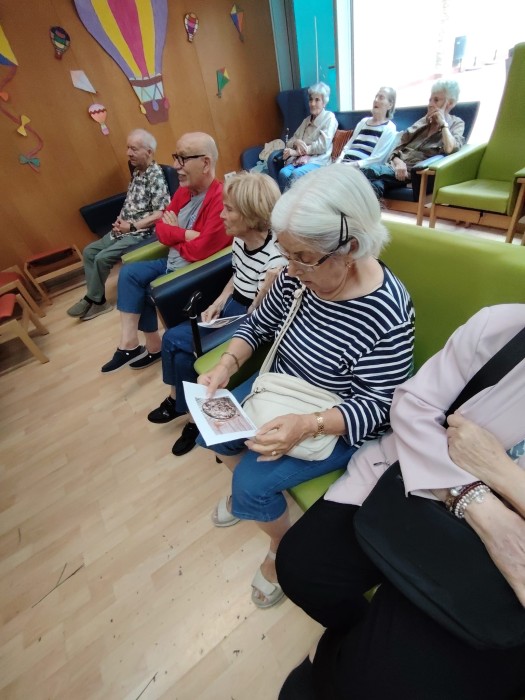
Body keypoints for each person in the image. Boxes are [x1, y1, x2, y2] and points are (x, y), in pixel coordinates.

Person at [276, 304, 525, 700]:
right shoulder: (503, 328)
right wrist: (479, 502)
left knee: (378, 683)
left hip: (494, 568)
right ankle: (351, 637)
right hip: (420, 480)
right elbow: (412, 406)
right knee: (300, 569)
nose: (293, 273)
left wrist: (504, 475)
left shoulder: (384, 307)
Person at [196, 163, 415, 609]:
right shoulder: (297, 279)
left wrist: (306, 424)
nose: (291, 269)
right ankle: (252, 497)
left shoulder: (388, 311)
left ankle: (280, 545)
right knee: (210, 426)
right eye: (286, 253)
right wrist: (226, 365)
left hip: (332, 416)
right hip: (278, 387)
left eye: (303, 257)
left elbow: (380, 404)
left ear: (350, 247)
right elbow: (257, 325)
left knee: (251, 486)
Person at [147, 172, 285, 457]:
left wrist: (266, 287)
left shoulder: (276, 256)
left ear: (251, 215)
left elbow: (259, 313)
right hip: (233, 307)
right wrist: (219, 301)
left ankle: (180, 407)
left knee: (173, 339)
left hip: (250, 316)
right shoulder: (240, 240)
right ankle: (190, 414)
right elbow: (237, 275)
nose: (221, 215)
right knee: (183, 353)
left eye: (229, 209)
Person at [100, 132, 230, 374]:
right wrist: (185, 234)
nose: (175, 166)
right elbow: (161, 229)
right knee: (129, 274)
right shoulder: (184, 191)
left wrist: (175, 233)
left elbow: (200, 250)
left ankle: (152, 347)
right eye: (175, 157)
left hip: (191, 271)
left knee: (145, 289)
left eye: (182, 159)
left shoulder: (221, 198)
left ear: (205, 163)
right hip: (172, 260)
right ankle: (132, 344)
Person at [67, 129, 170, 321]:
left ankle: (95, 301)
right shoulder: (137, 171)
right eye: (127, 148)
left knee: (102, 258)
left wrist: (131, 227)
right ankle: (97, 299)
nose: (128, 153)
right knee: (89, 252)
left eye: (134, 149)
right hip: (123, 229)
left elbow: (160, 214)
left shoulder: (155, 176)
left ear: (148, 152)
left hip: (140, 233)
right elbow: (131, 202)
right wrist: (120, 219)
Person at [360, 80, 465, 199]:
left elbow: (450, 148)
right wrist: (399, 162)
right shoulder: (423, 121)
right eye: (430, 100)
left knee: (368, 172)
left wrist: (442, 124)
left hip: (416, 173)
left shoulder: (456, 124)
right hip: (394, 168)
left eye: (436, 100)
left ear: (450, 103)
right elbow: (399, 145)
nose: (430, 104)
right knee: (375, 186)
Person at [277, 82, 338, 193]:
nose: (312, 104)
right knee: (283, 173)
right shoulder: (306, 121)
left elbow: (322, 146)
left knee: (296, 174)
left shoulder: (329, 118)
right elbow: (290, 141)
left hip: (318, 161)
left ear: (324, 103)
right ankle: (286, 200)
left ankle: (293, 202)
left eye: (317, 100)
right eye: (310, 100)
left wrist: (296, 152)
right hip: (298, 161)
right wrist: (296, 142)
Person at [336, 87, 397, 168]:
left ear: (390, 105)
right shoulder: (363, 122)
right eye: (376, 97)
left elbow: (378, 158)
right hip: (344, 165)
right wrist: (338, 161)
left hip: (361, 169)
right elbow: (348, 146)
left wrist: (353, 165)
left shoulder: (389, 128)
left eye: (381, 97)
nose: (376, 100)